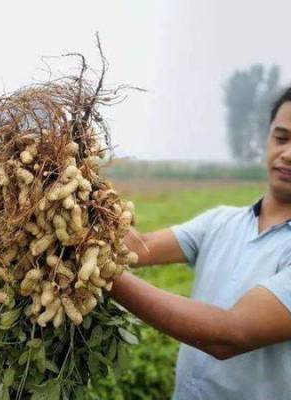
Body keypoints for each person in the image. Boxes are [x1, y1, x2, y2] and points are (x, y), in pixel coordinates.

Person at [111, 87, 291, 400]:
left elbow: (230, 334)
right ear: (266, 139)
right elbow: (139, 247)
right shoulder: (221, 221)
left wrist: (99, 273)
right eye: (281, 137)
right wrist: (84, 204)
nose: (288, 153)